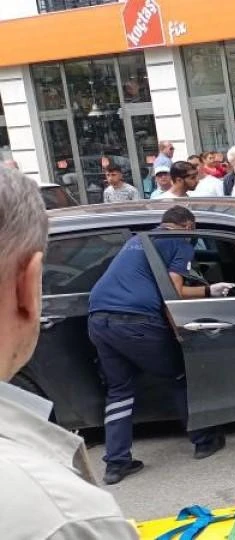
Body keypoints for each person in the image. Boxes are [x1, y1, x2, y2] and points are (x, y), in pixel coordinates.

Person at [0, 168, 140, 537]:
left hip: (103, 329)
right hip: (130, 331)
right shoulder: (62, 515)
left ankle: (117, 459)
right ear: (29, 287)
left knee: (119, 391)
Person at [88, 205, 232, 484]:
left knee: (119, 391)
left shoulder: (138, 240)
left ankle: (116, 464)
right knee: (179, 374)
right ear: (189, 225)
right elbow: (174, 292)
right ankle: (204, 440)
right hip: (136, 322)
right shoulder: (177, 241)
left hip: (98, 319)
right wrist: (208, 291)